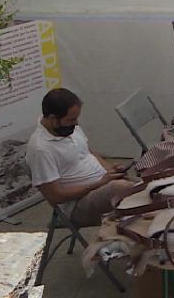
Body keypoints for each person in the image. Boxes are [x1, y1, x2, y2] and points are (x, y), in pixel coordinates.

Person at [26, 89, 136, 227]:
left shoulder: (67, 128)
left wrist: (110, 169)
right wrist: (98, 184)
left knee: (151, 185)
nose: (76, 124)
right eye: (71, 120)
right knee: (125, 190)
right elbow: (55, 196)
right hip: (77, 205)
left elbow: (88, 152)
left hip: (103, 185)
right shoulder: (40, 149)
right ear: (53, 119)